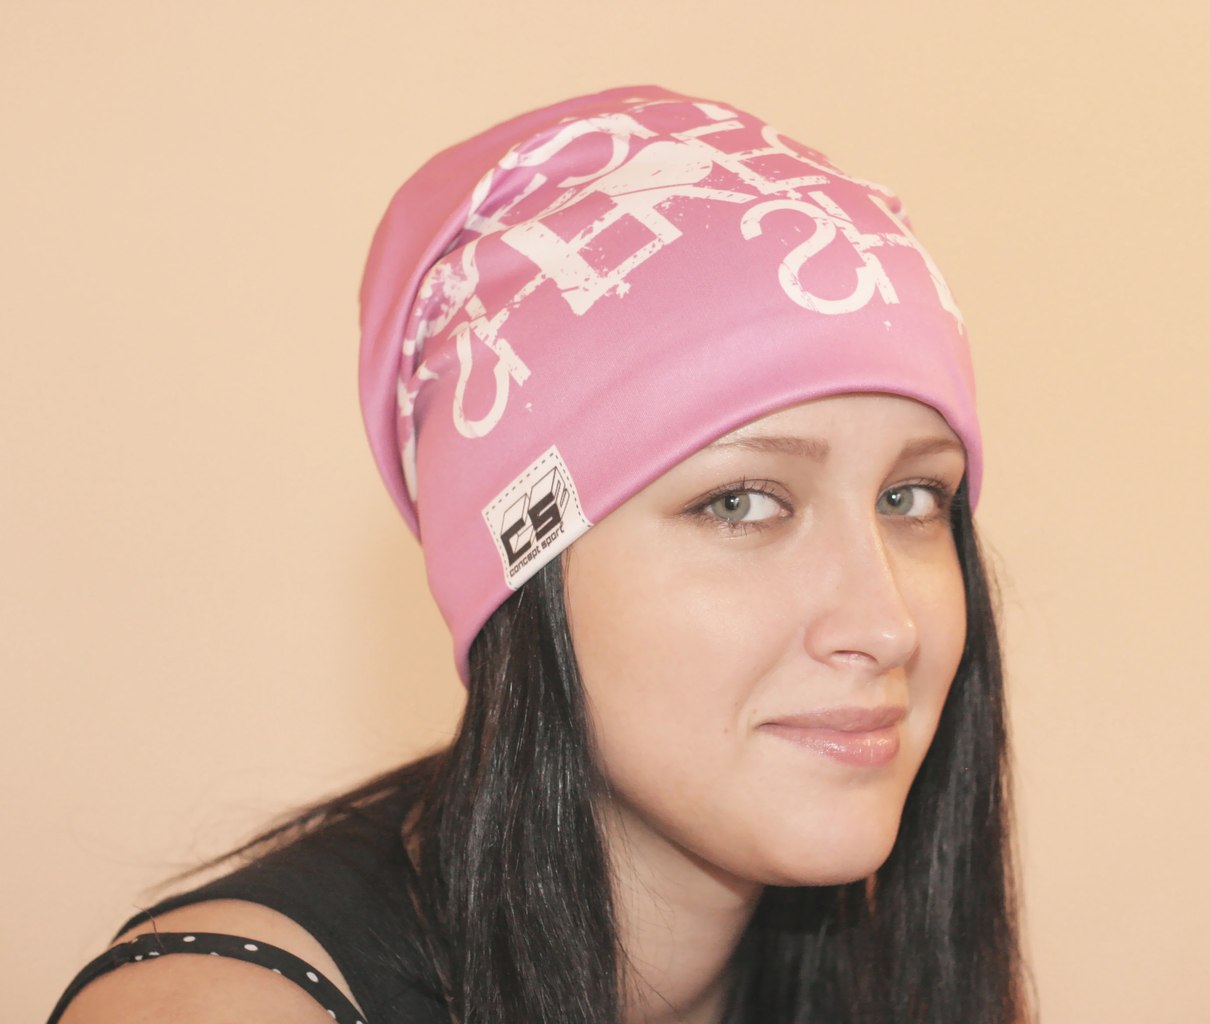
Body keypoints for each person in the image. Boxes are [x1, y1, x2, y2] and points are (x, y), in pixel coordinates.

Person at [50, 85, 1026, 1023]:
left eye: (910, 497)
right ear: (521, 568)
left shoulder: (893, 971)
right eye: (740, 503)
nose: (887, 625)